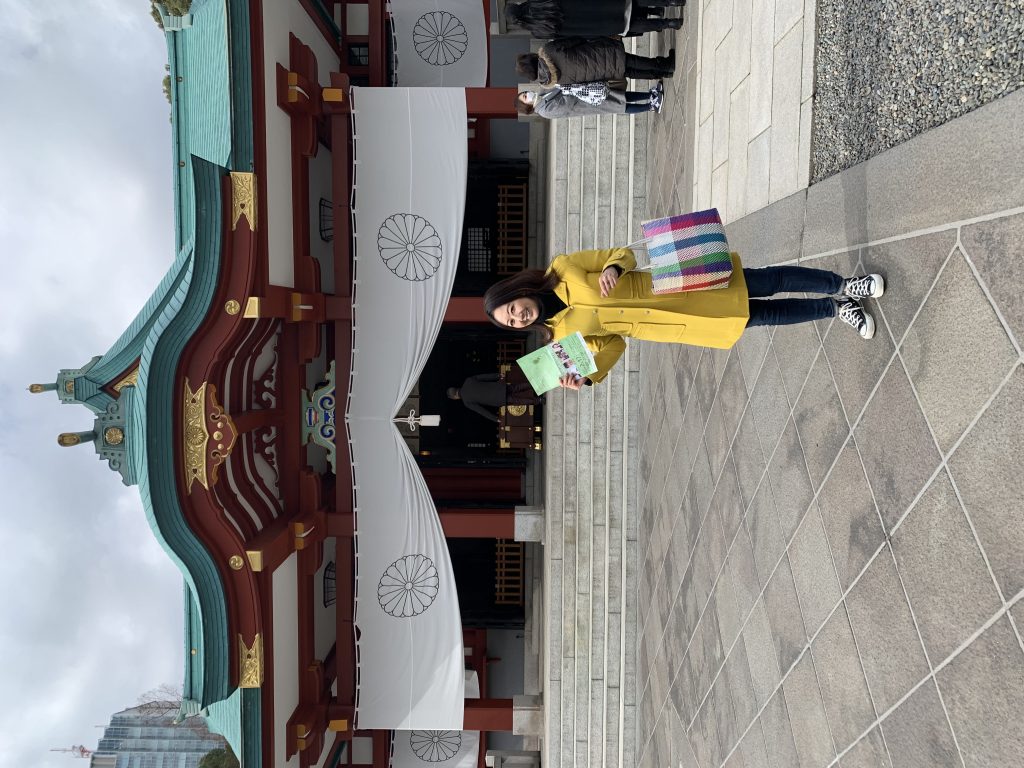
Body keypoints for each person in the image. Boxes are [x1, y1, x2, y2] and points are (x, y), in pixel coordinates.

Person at [482, 248, 885, 389]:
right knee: (761, 315)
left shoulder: (563, 268)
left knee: (767, 281)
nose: (519, 317)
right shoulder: (559, 343)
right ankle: (836, 309)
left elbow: (621, 253)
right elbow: (614, 345)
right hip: (673, 323)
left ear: (516, 292)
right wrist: (586, 377)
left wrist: (613, 269)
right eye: (512, 323)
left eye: (512, 309)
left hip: (675, 285)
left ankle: (845, 284)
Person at [516, 38, 675, 88]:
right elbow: (575, 40)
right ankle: (665, 65)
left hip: (599, 74)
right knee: (632, 60)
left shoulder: (553, 81)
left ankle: (661, 73)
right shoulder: (548, 50)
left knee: (629, 72)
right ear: (531, 58)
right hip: (596, 55)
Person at [505, 0, 686, 38]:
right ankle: (671, 2)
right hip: (592, 5)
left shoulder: (538, 31)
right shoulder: (538, 1)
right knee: (631, 2)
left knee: (628, 24)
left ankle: (670, 23)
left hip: (591, 26)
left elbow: (564, 37)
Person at [516, 81, 665, 118]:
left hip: (586, 93)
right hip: (586, 102)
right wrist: (567, 89)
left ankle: (649, 95)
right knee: (619, 106)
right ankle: (650, 106)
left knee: (619, 95)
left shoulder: (542, 94)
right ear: (526, 105)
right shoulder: (544, 110)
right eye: (525, 96)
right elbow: (566, 105)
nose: (528, 93)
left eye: (525, 93)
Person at [447, 373, 541, 423]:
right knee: (518, 387)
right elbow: (484, 377)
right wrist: (498, 375)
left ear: (454, 397)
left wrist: (495, 418)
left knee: (518, 401)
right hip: (499, 387)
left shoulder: (466, 402)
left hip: (497, 399)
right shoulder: (468, 381)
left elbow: (481, 411)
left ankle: (539, 400)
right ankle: (539, 383)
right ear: (456, 388)